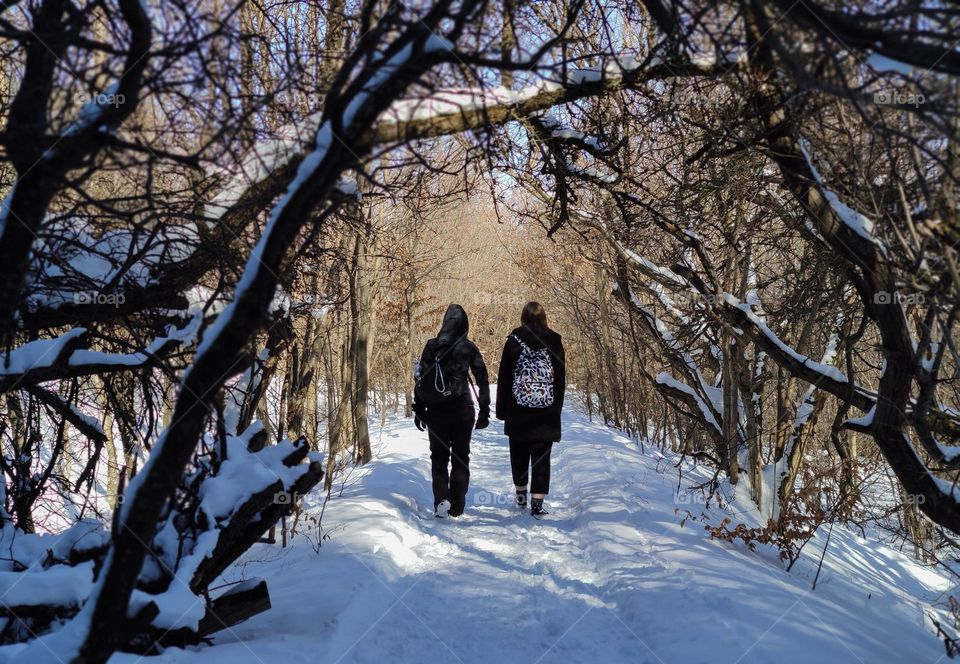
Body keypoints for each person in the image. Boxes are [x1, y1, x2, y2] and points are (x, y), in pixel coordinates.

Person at [413, 304, 490, 518]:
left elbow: (421, 378)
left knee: (438, 458)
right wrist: (485, 409)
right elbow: (482, 378)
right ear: (465, 324)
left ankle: (441, 500)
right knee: (460, 456)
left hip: (435, 411)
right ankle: (457, 503)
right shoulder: (468, 347)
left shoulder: (431, 346)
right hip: (463, 410)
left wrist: (418, 407)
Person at [496, 302, 565, 518]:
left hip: (518, 410)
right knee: (541, 458)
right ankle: (537, 503)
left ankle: (520, 496)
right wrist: (556, 408)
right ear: (544, 317)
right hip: (546, 412)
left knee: (518, 454)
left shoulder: (514, 341)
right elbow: (560, 379)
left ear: (523, 317)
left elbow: (504, 378)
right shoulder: (554, 340)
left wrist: (502, 410)